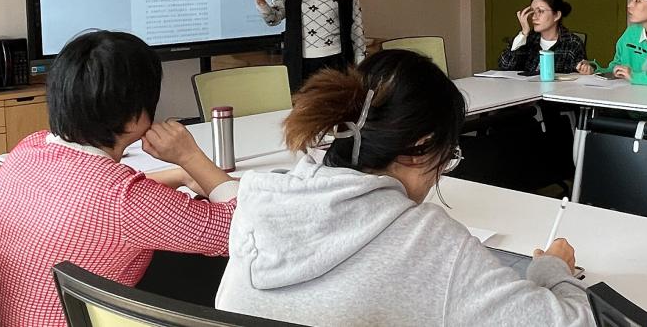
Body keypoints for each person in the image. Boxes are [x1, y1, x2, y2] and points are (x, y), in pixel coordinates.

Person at [216, 50, 593, 326]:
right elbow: (577, 323)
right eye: (447, 157)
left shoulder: (260, 202)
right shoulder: (428, 240)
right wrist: (551, 270)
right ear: (418, 148)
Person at [0, 30, 237, 327]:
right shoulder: (124, 200)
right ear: (135, 116)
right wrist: (190, 158)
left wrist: (178, 176)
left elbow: (87, 204)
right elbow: (246, 229)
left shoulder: (28, 149)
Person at [497, 0, 586, 74]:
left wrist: (585, 69)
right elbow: (505, 66)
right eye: (533, 12)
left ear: (557, 15)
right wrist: (523, 34)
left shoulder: (572, 43)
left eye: (540, 11)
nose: (534, 17)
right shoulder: (527, 39)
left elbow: (580, 72)